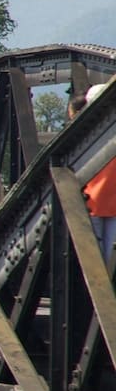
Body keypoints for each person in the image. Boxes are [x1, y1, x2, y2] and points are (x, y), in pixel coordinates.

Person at [79, 85, 116, 261]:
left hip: (93, 200)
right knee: (105, 259)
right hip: (97, 202)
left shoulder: (85, 130)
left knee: (98, 260)